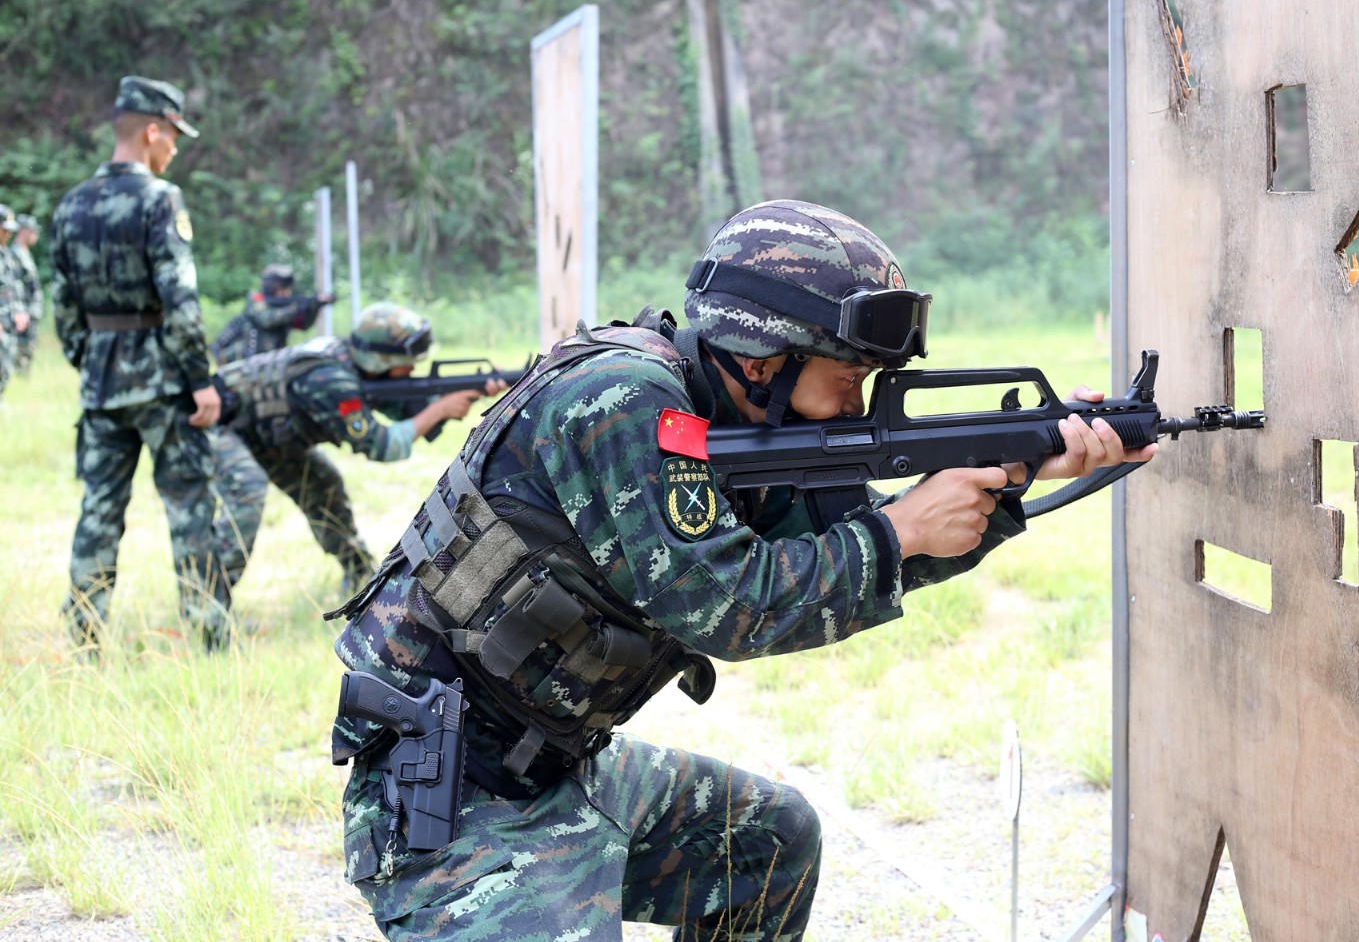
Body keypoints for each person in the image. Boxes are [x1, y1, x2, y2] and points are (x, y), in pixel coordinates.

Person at [325, 199, 1156, 941]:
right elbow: (730, 605)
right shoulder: (623, 401)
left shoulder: (724, 417)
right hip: (447, 799)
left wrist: (1006, 478)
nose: (860, 404)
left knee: (769, 840)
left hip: (554, 765)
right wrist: (903, 529)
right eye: (847, 377)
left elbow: (841, 555)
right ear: (764, 361)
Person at [50, 75, 229, 652]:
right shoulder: (159, 200)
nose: (175, 147)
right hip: (163, 386)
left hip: (102, 387)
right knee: (191, 510)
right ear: (151, 131)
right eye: (173, 135)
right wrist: (200, 381)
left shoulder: (71, 205)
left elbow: (64, 307)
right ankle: (208, 638)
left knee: (98, 512)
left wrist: (94, 357)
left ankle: (84, 639)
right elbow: (180, 301)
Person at [210, 301, 502, 600]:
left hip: (272, 439)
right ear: (381, 358)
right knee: (247, 496)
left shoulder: (356, 365)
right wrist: (439, 410)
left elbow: (402, 404)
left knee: (324, 487)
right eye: (407, 359)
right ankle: (207, 609)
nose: (413, 367)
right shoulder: (331, 379)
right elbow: (380, 445)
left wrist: (468, 392)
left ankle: (362, 582)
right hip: (218, 427)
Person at [210, 263, 333, 365]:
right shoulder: (256, 299)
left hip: (272, 362)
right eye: (283, 288)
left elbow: (303, 325)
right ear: (273, 286)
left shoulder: (286, 305)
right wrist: (296, 307)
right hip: (247, 361)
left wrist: (313, 306)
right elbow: (267, 319)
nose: (286, 293)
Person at [10, 213, 44, 376]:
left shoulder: (24, 254)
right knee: (21, 350)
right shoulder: (15, 255)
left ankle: (23, 379)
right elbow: (14, 287)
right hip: (22, 314)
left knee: (28, 349)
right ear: (24, 232)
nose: (36, 235)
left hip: (30, 312)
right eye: (33, 231)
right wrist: (20, 311)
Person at [0, 205, 20, 402]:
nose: (8, 234)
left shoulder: (5, 253)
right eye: (4, 229)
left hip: (7, 321)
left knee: (6, 362)